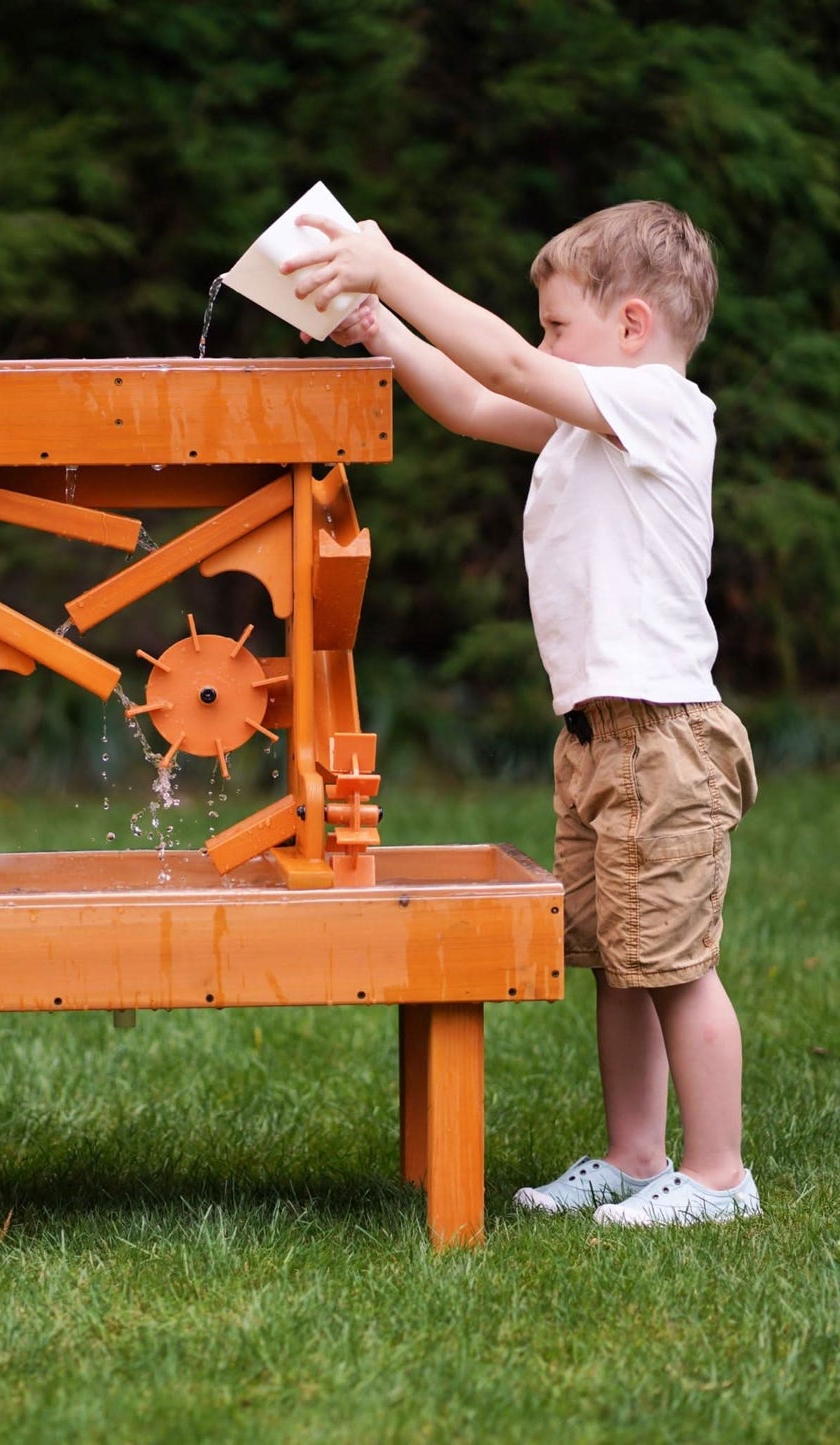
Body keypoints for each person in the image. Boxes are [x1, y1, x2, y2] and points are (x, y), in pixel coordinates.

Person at [282, 201, 759, 1226]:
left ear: (630, 327)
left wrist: (390, 259)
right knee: (618, 962)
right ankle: (635, 1155)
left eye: (555, 326)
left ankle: (718, 1173)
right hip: (597, 738)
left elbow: (500, 363)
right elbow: (466, 396)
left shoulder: (661, 408)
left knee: (674, 966)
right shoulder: (585, 419)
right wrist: (378, 325)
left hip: (664, 737)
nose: (540, 344)